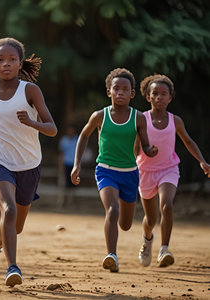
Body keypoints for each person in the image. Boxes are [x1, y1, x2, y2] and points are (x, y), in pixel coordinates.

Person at [0, 37, 57, 287]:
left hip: (29, 164)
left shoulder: (30, 91)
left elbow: (52, 128)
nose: (6, 64)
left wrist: (31, 122)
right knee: (7, 210)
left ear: (20, 63)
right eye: (0, 59)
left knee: (15, 228)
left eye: (11, 60)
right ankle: (12, 267)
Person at [70, 68, 158, 272]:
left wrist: (150, 151)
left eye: (125, 89)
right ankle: (112, 255)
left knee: (125, 224)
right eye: (115, 89)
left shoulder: (138, 118)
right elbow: (83, 136)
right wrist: (77, 164)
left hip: (129, 172)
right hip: (105, 170)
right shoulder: (99, 116)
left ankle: (141, 238)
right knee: (112, 209)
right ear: (108, 91)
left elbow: (145, 145)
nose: (120, 93)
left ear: (132, 94)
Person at [136, 74, 210, 268]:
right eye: (155, 93)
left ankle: (164, 249)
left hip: (169, 169)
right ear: (148, 97)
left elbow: (187, 141)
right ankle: (147, 239)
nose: (159, 97)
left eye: (163, 94)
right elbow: (135, 148)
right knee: (150, 219)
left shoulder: (175, 120)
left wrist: (202, 161)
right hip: (145, 171)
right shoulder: (141, 119)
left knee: (166, 205)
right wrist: (135, 162)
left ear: (170, 97)